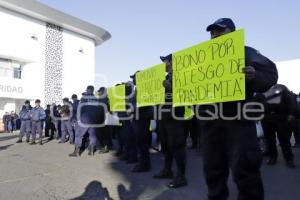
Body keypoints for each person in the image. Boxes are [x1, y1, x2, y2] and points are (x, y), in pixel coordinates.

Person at [199, 18, 278, 200]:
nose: (215, 35)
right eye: (212, 32)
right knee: (212, 171)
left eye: (219, 30)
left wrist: (255, 75)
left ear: (232, 32)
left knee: (245, 171)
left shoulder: (246, 52)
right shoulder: (202, 58)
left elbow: (271, 74)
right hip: (210, 123)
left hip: (238, 122)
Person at [153, 54, 188, 188]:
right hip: (163, 116)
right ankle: (167, 170)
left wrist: (171, 87)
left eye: (165, 61)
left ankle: (181, 176)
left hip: (175, 117)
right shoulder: (165, 78)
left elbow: (187, 94)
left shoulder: (182, 76)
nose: (163, 64)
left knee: (177, 146)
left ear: (173, 62)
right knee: (166, 146)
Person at [261, 84, 296, 168]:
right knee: (270, 140)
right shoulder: (263, 92)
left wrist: (291, 113)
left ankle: (289, 159)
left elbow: (290, 102)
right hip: (268, 118)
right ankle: (273, 157)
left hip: (281, 118)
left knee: (284, 140)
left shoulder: (282, 89)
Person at [69, 86, 105, 157]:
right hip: (93, 121)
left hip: (84, 120)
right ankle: (91, 151)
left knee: (78, 135)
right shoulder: (96, 99)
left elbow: (79, 109)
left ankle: (76, 152)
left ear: (88, 90)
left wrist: (77, 120)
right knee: (92, 135)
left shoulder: (84, 98)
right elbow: (99, 111)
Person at [130, 72, 153, 172]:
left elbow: (143, 104)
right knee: (140, 142)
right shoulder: (137, 89)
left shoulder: (144, 89)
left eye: (134, 78)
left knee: (142, 142)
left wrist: (132, 109)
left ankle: (144, 164)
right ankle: (143, 162)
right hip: (139, 117)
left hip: (142, 118)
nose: (133, 80)